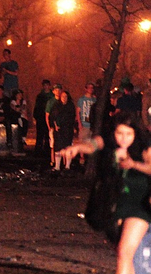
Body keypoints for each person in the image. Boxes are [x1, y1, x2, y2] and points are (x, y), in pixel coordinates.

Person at [61, 112, 151, 274]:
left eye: (128, 134)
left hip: (139, 205)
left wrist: (133, 164)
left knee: (125, 252)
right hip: (113, 204)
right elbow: (91, 145)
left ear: (135, 133)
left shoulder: (144, 146)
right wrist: (76, 148)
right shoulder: (108, 142)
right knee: (123, 255)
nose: (124, 138)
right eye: (120, 133)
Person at [50, 91, 77, 171]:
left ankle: (67, 166)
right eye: (62, 96)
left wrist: (73, 127)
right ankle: (57, 167)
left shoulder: (70, 106)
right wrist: (55, 125)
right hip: (58, 131)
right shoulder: (56, 106)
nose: (64, 98)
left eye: (66, 96)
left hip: (68, 130)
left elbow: (73, 118)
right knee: (58, 148)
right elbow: (52, 117)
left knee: (68, 147)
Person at [33, 80, 54, 157]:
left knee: (48, 134)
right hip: (40, 117)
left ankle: (47, 150)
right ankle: (38, 151)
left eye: (47, 85)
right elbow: (37, 106)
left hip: (49, 117)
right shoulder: (40, 96)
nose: (46, 87)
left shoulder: (52, 96)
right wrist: (35, 116)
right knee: (40, 134)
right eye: (44, 85)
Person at [46, 84, 63, 163]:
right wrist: (49, 127)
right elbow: (47, 115)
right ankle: (53, 161)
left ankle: (63, 162)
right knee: (53, 145)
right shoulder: (51, 102)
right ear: (53, 91)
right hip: (53, 126)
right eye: (56, 90)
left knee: (63, 145)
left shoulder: (63, 100)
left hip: (62, 126)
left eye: (59, 90)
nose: (58, 92)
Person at [9, 90, 29, 155]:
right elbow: (16, 109)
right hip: (15, 118)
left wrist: (19, 109)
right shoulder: (13, 101)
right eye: (18, 94)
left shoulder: (23, 101)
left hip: (23, 117)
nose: (20, 96)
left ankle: (23, 139)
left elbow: (23, 108)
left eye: (21, 94)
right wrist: (19, 109)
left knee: (25, 124)